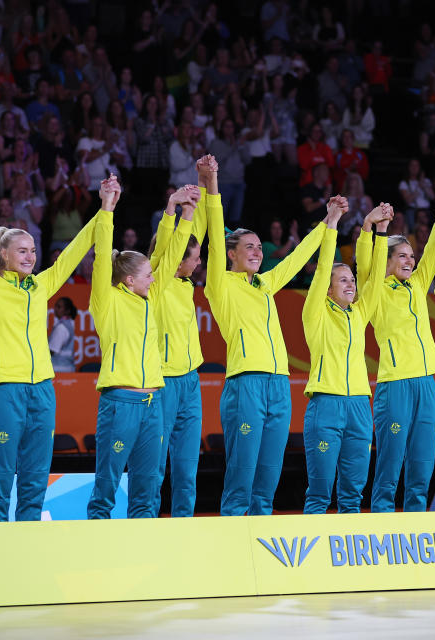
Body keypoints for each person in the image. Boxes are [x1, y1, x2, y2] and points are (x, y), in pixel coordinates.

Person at [0, 171, 98, 522]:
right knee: (2, 473)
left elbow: (71, 254)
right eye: (21, 250)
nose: (30, 256)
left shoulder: (40, 285)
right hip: (5, 388)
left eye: (33, 250)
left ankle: (29, 532)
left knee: (36, 474)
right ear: (3, 254)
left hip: (43, 390)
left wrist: (104, 211)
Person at [203, 155, 327, 516]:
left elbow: (295, 258)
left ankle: (260, 549)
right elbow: (214, 231)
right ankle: (232, 546)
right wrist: (211, 183)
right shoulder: (220, 283)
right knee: (241, 477)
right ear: (231, 254)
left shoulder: (265, 283)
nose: (257, 252)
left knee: (269, 478)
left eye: (259, 247)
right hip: (246, 384)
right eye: (249, 247)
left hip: (279, 385)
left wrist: (327, 224)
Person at [87, 177, 198, 519]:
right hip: (121, 402)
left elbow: (172, 251)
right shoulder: (106, 301)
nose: (156, 278)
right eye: (148, 275)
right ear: (129, 280)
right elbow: (103, 254)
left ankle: (144, 555)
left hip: (154, 402)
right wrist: (107, 208)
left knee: (147, 488)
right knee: (106, 484)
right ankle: (98, 539)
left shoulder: (148, 299)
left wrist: (183, 214)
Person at [353, 171, 435, 513]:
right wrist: (371, 227)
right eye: (402, 256)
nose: (410, 261)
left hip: (426, 383)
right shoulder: (375, 289)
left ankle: (416, 522)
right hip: (394, 384)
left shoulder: (419, 284)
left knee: (423, 465)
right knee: (391, 463)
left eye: (412, 255)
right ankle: (382, 518)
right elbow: (367, 262)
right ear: (388, 259)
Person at [302, 198, 391, 514]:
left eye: (352, 280)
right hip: (326, 404)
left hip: (359, 408)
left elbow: (377, 277)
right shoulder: (315, 313)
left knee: (353, 497)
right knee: (320, 494)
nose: (351, 284)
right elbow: (324, 265)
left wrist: (381, 231)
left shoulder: (359, 313)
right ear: (327, 289)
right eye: (343, 280)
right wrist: (333, 222)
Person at [148, 158, 211, 518]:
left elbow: (195, 233)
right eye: (194, 257)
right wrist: (173, 210)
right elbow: (165, 250)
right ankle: (150, 525)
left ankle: (184, 524)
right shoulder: (158, 279)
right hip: (164, 382)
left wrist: (203, 185)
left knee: (187, 468)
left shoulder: (186, 285)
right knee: (156, 466)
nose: (198, 262)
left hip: (191, 381)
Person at [49, 296, 77, 373]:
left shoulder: (61, 327)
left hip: (59, 370)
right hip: (66, 369)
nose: (55, 309)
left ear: (67, 311)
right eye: (55, 306)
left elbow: (52, 351)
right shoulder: (68, 324)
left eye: (59, 307)